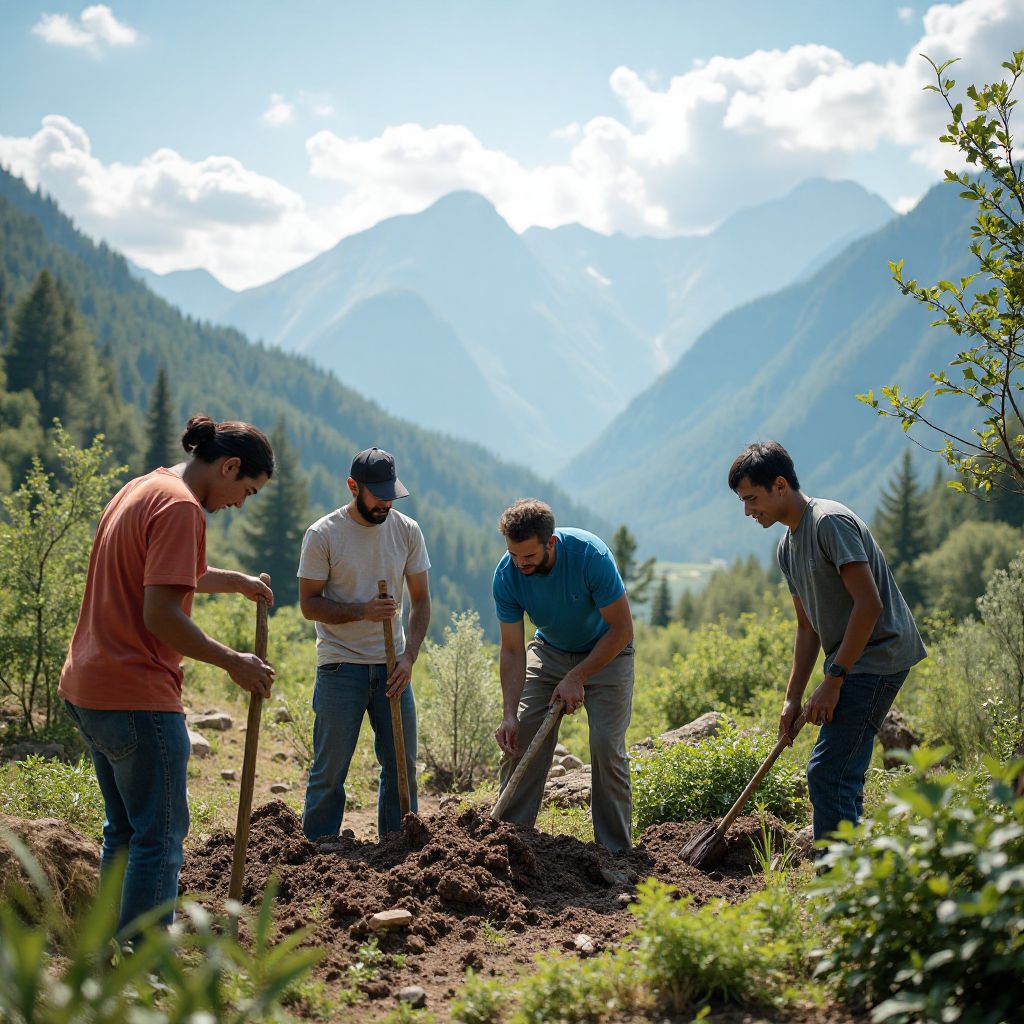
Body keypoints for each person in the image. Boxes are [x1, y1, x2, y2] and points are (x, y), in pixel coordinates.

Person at [59, 416, 277, 937]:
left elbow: (175, 572)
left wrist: (238, 583)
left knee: (126, 832)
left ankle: (108, 946)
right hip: (138, 694)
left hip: (89, 687)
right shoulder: (182, 509)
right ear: (228, 466)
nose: (240, 504)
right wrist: (235, 662)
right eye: (246, 490)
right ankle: (144, 960)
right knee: (159, 837)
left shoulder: (146, 487)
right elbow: (161, 614)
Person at [728, 441, 926, 843]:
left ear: (780, 485)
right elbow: (808, 628)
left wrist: (833, 680)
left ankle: (837, 886)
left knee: (828, 771)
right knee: (840, 771)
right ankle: (853, 877)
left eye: (751, 498)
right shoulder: (787, 547)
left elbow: (869, 606)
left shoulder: (828, 523)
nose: (748, 511)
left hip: (878, 655)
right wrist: (792, 697)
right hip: (851, 660)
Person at [298, 447, 430, 840]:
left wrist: (409, 658)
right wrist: (363, 611)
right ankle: (317, 851)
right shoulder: (323, 535)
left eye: (391, 493)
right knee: (330, 769)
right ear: (353, 486)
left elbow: (421, 601)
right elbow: (309, 605)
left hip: (393, 667)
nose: (385, 502)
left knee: (401, 766)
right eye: (377, 494)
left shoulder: (407, 530)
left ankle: (398, 848)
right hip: (341, 665)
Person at [492, 499, 634, 852]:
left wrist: (578, 676)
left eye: (528, 557)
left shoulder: (590, 556)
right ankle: (507, 843)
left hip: (607, 650)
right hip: (550, 650)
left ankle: (615, 852)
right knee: (520, 734)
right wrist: (509, 713)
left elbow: (622, 629)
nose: (520, 564)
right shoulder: (507, 575)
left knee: (606, 746)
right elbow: (512, 650)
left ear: (550, 543)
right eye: (513, 555)